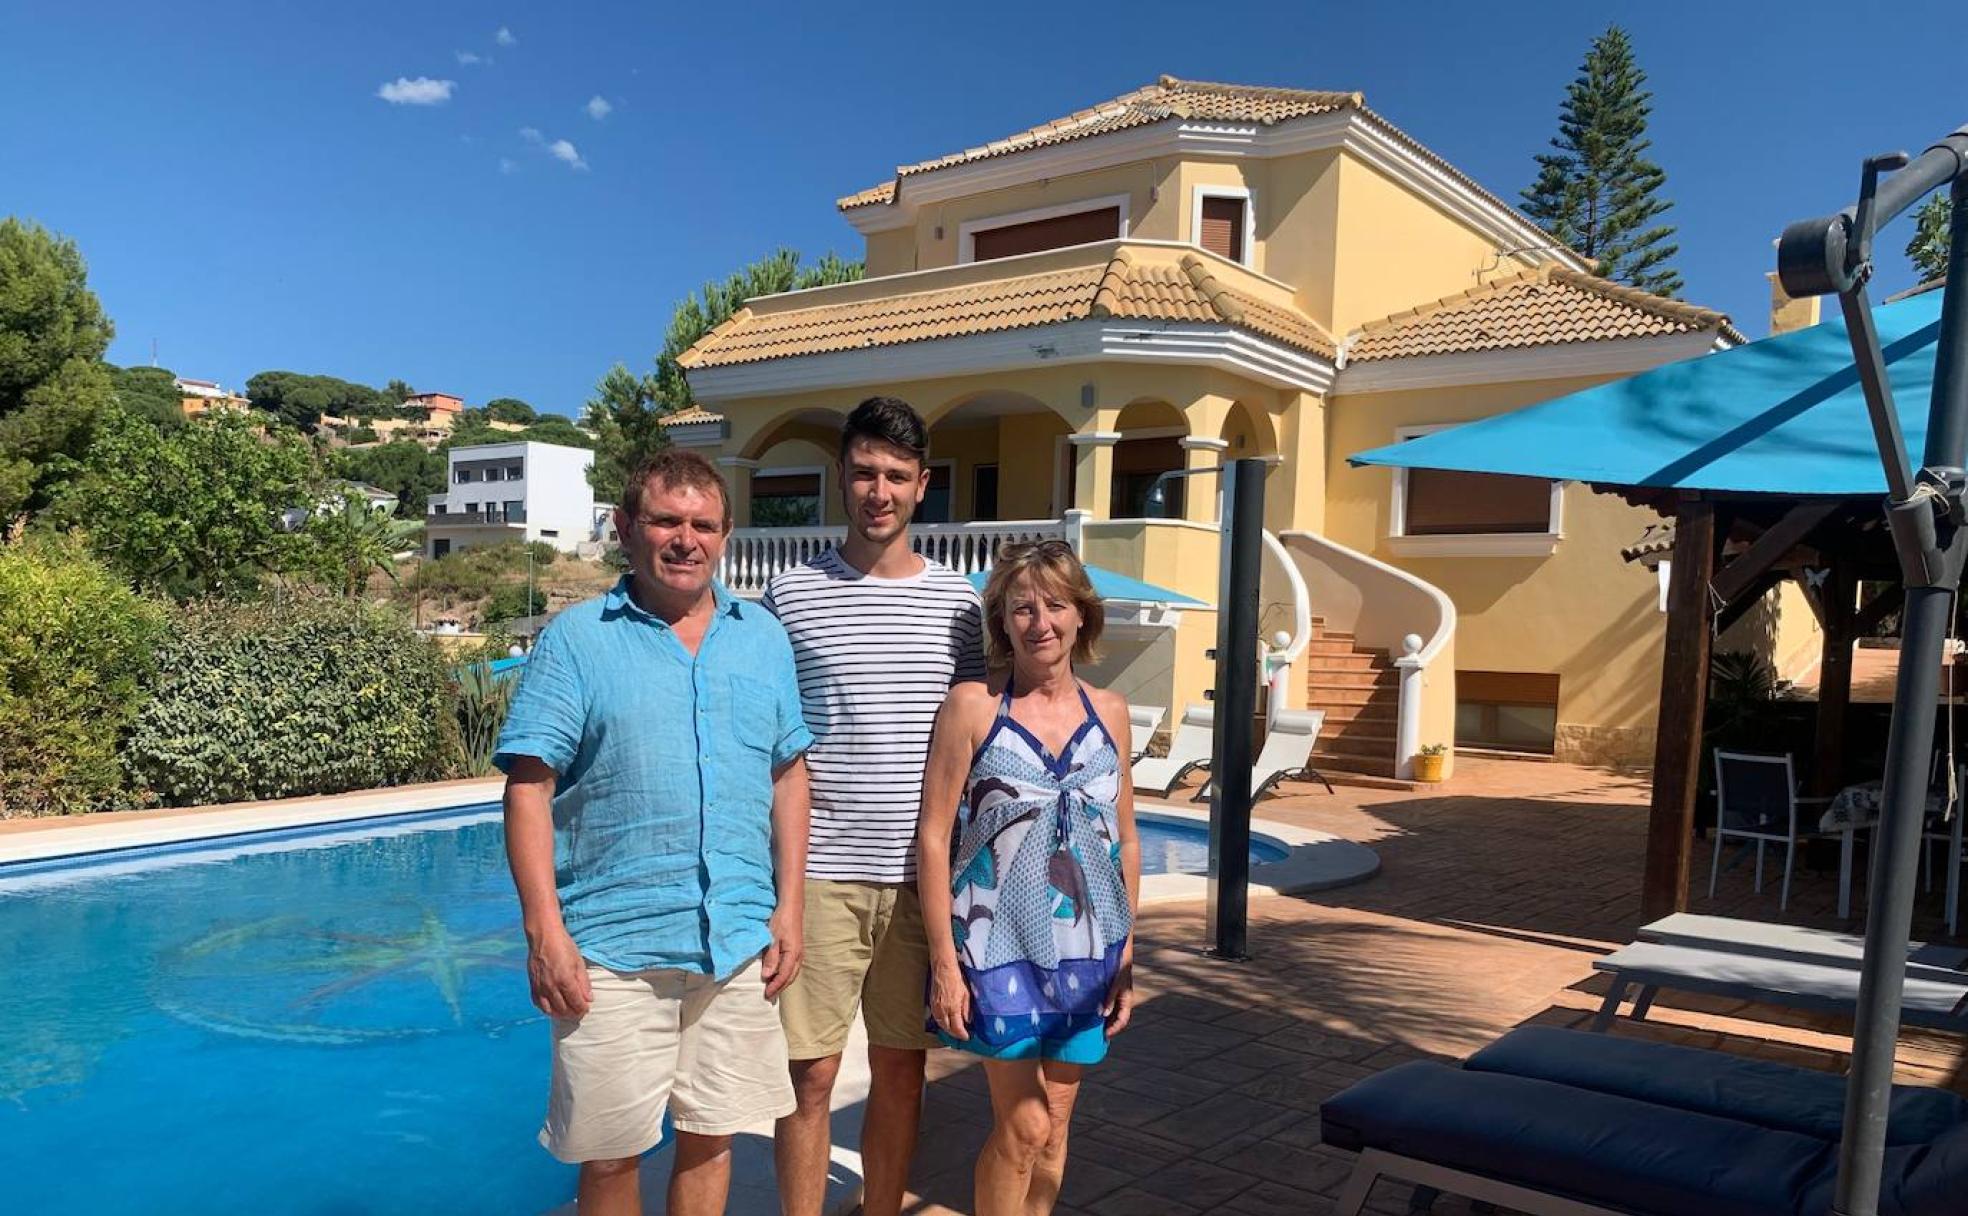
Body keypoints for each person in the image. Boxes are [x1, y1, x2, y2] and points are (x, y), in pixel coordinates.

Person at [496, 449, 812, 1216]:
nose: (685, 539)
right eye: (666, 520)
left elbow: (787, 773)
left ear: (725, 536)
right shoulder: (577, 640)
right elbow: (528, 789)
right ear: (626, 527)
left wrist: (790, 907)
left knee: (712, 1138)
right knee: (611, 1157)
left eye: (703, 525)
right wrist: (545, 933)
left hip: (735, 939)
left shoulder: (762, 639)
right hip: (611, 947)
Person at [764, 397, 987, 1216]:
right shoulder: (790, 596)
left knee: (902, 1069)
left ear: (921, 485)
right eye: (863, 472)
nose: (878, 490)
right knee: (810, 1074)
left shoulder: (959, 604)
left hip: (917, 877)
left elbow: (977, 736)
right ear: (842, 478)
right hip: (820, 873)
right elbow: (771, 738)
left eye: (896, 475)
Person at [917, 540, 1141, 1216]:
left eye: (1054, 604)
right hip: (994, 949)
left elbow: (1125, 839)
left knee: (1057, 1124)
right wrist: (943, 963)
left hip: (1089, 951)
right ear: (1003, 622)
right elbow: (932, 838)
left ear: (1081, 616)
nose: (1038, 621)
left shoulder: (1112, 712)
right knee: (1026, 1124)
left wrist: (1127, 953)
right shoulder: (973, 707)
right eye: (1021, 608)